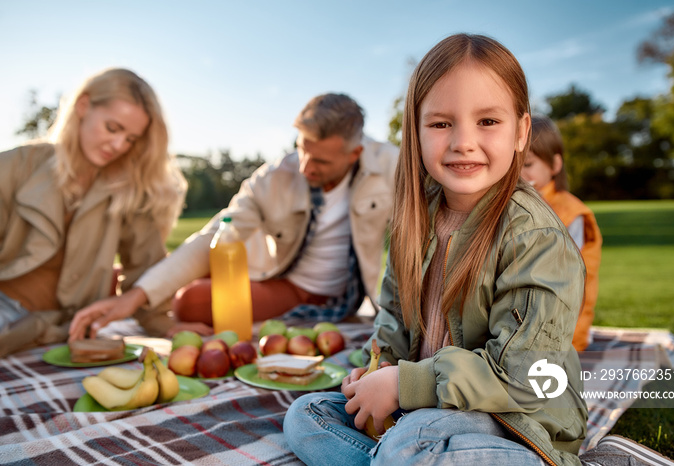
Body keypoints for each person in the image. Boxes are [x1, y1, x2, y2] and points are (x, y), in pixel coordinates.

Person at [283, 33, 588, 466]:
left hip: (513, 421)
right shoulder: (414, 217)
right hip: (424, 410)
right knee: (306, 416)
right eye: (442, 123)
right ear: (416, 131)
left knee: (408, 444)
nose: (463, 141)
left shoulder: (535, 237)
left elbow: (524, 378)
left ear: (521, 131)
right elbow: (393, 317)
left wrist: (403, 386)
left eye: (487, 122)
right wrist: (378, 369)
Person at [69, 92, 399, 340]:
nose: (304, 168)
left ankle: (137, 284)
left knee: (191, 303)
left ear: (354, 153)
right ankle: (132, 285)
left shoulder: (393, 166)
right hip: (273, 273)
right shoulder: (273, 177)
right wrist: (137, 297)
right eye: (301, 150)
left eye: (321, 163)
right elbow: (215, 236)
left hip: (321, 293)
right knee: (147, 284)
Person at [0, 68, 187, 357]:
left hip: (69, 329)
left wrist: (165, 326)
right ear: (83, 106)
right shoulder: (15, 167)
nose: (119, 146)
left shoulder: (127, 189)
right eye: (113, 128)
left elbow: (144, 268)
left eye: (131, 139)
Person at [521, 115, 602, 351]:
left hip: (561, 334)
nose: (519, 174)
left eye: (527, 165)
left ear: (555, 165)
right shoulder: (518, 206)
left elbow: (560, 279)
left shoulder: (570, 213)